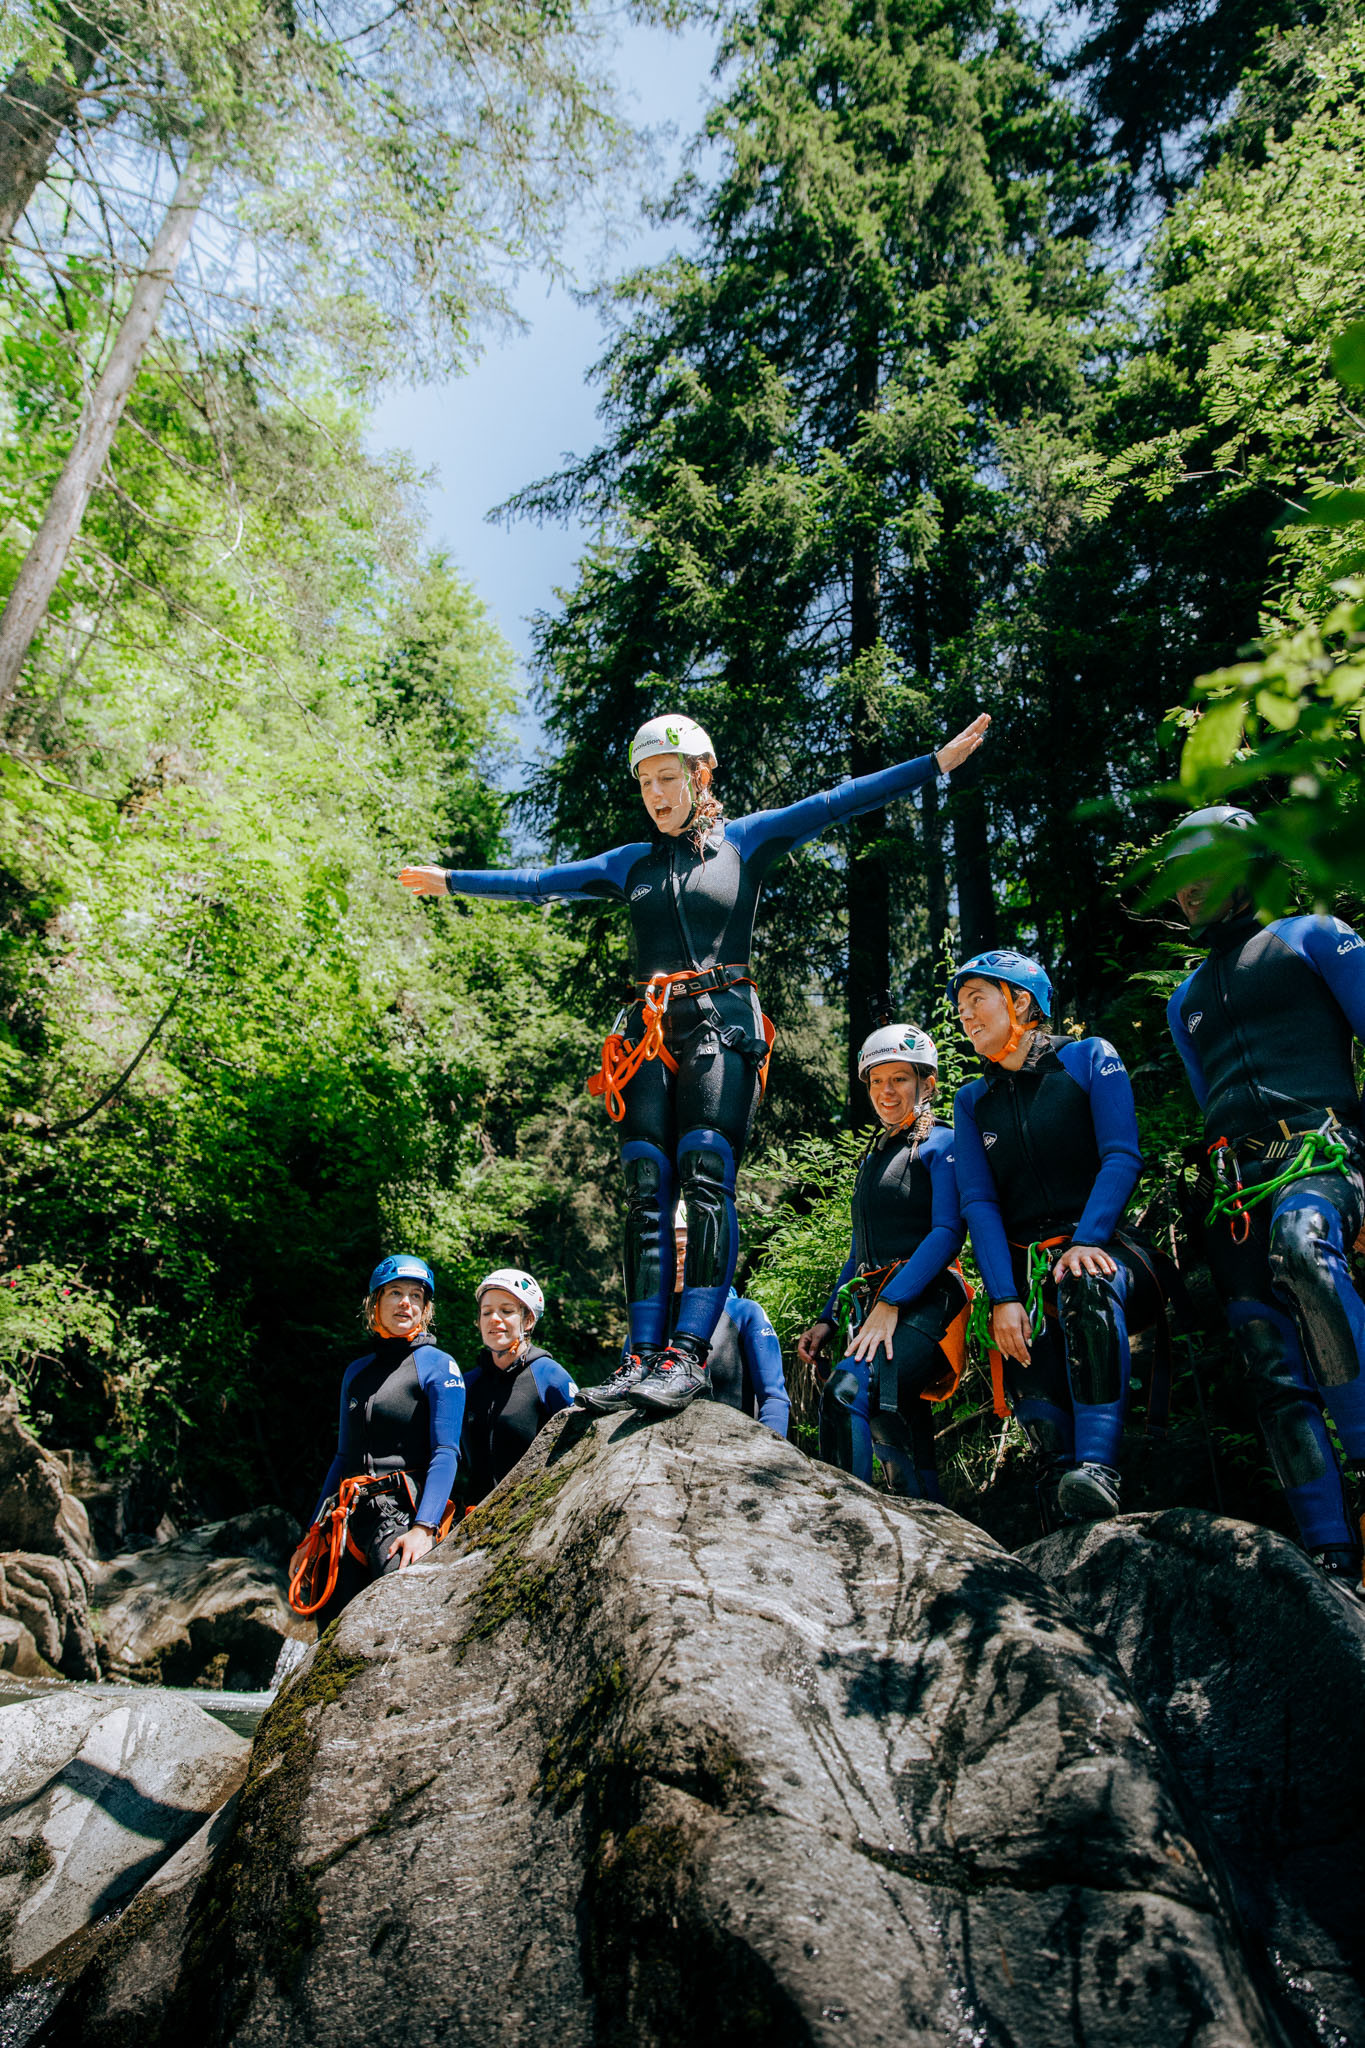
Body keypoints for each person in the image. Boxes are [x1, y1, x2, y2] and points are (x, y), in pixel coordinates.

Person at [400, 710, 990, 1418]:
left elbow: (837, 802)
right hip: (647, 1034)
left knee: (706, 1176)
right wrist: (452, 881)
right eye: (644, 782)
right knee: (645, 1189)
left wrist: (933, 763)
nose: (654, 793)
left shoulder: (746, 841)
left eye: (666, 778)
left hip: (721, 1025)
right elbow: (539, 880)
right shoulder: (629, 864)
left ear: (700, 775)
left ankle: (686, 1354)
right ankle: (640, 1357)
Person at [1166, 805, 1365, 1591]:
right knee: (1262, 1353)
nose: (1185, 889)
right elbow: (1206, 1102)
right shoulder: (1184, 999)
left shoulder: (1315, 937)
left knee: (1302, 1249)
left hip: (1324, 1154)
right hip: (1235, 1192)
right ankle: (1327, 1551)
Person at [951, 953, 1158, 1521]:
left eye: (977, 1000)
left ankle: (1099, 1469)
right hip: (1028, 1274)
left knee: (1086, 1283)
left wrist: (1087, 1240)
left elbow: (1121, 1156)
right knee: (1030, 1378)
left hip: (1108, 1253)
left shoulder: (1089, 1058)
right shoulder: (972, 1101)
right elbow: (979, 1204)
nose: (965, 1015)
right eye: (961, 1007)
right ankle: (1060, 1502)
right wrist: (1003, 1297)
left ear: (1020, 1001)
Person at [796, 1024, 966, 1498]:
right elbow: (860, 1252)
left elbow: (948, 1232)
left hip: (928, 1301)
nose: (885, 1091)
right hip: (878, 1305)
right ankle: (927, 1519)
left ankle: (848, 1521)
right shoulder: (875, 1157)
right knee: (896, 1424)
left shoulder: (942, 1145)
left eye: (899, 1079)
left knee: (847, 1392)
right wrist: (828, 1318)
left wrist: (892, 1302)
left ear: (927, 1083)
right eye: (876, 1081)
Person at [288, 1256, 464, 1624]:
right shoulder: (356, 1372)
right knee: (329, 1629)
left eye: (416, 1296)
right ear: (375, 1304)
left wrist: (424, 1528)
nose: (406, 1303)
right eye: (395, 1293)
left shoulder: (439, 1366)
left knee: (399, 1620)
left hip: (403, 1515)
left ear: (425, 1310)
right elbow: (343, 1457)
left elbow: (446, 1453)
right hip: (349, 1518)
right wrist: (312, 1533)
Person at [665, 1207, 789, 1435]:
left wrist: (769, 1450)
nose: (677, 1261)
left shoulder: (744, 1313)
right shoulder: (646, 1330)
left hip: (736, 1447)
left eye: (683, 1250)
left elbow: (774, 1399)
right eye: (668, 1252)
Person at [460, 1268, 578, 1504]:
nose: (494, 1319)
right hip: (473, 1515)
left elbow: (578, 1449)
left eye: (506, 1311)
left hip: (532, 1513)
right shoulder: (469, 1383)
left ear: (528, 1320)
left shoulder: (550, 1377)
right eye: (486, 1312)